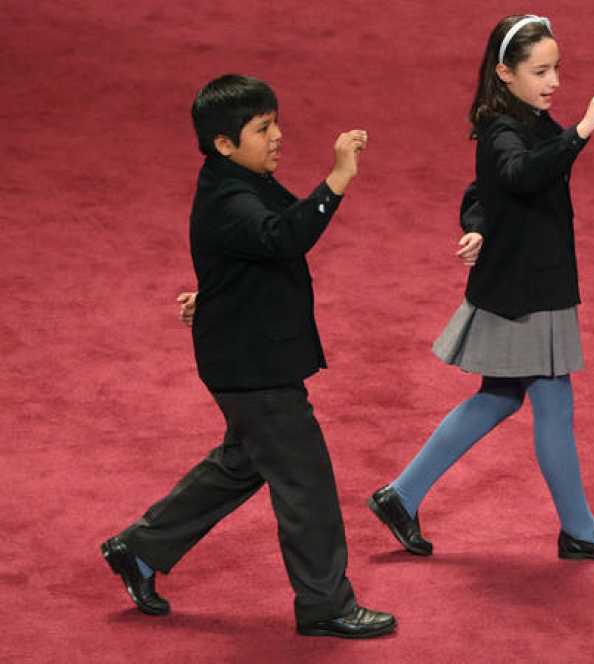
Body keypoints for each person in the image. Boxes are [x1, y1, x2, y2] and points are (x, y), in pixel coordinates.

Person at [101, 74, 395, 639]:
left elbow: (244, 252)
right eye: (263, 128)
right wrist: (337, 179)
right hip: (254, 369)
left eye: (275, 122)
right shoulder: (231, 197)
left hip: (243, 354)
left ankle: (139, 549)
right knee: (305, 482)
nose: (278, 135)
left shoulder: (237, 178)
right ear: (224, 143)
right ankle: (325, 604)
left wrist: (213, 293)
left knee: (243, 462)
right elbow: (282, 237)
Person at [368, 14, 594, 562]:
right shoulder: (503, 129)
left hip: (524, 280)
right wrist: (581, 131)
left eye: (556, 69)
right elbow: (517, 175)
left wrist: (477, 225)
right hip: (529, 290)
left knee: (499, 396)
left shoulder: (527, 119)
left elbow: (484, 190)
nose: (554, 81)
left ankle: (401, 495)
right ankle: (580, 530)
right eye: (540, 71)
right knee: (553, 403)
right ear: (504, 73)